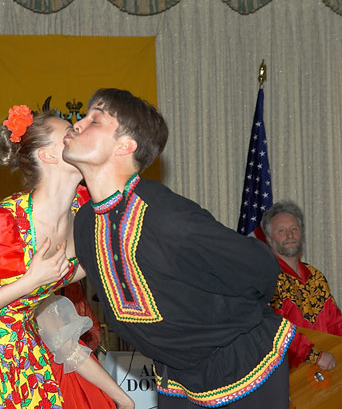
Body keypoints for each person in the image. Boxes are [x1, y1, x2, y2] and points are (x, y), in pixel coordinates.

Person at [62, 88, 296, 408]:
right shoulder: (86, 223)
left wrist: (227, 318)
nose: (77, 123)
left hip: (243, 364)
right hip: (176, 376)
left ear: (125, 146)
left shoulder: (165, 214)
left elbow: (259, 267)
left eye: (95, 120)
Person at [0, 106, 133, 409]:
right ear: (48, 156)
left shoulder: (84, 216)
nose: (79, 133)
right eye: (70, 134)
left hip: (26, 368)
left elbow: (58, 334)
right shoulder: (4, 224)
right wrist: (29, 282)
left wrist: (124, 400)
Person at [261, 200, 342, 371]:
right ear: (269, 238)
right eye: (281, 231)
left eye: (294, 229)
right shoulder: (266, 278)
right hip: (285, 375)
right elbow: (272, 330)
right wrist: (313, 356)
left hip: (325, 372)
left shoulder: (316, 276)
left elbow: (335, 322)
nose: (290, 236)